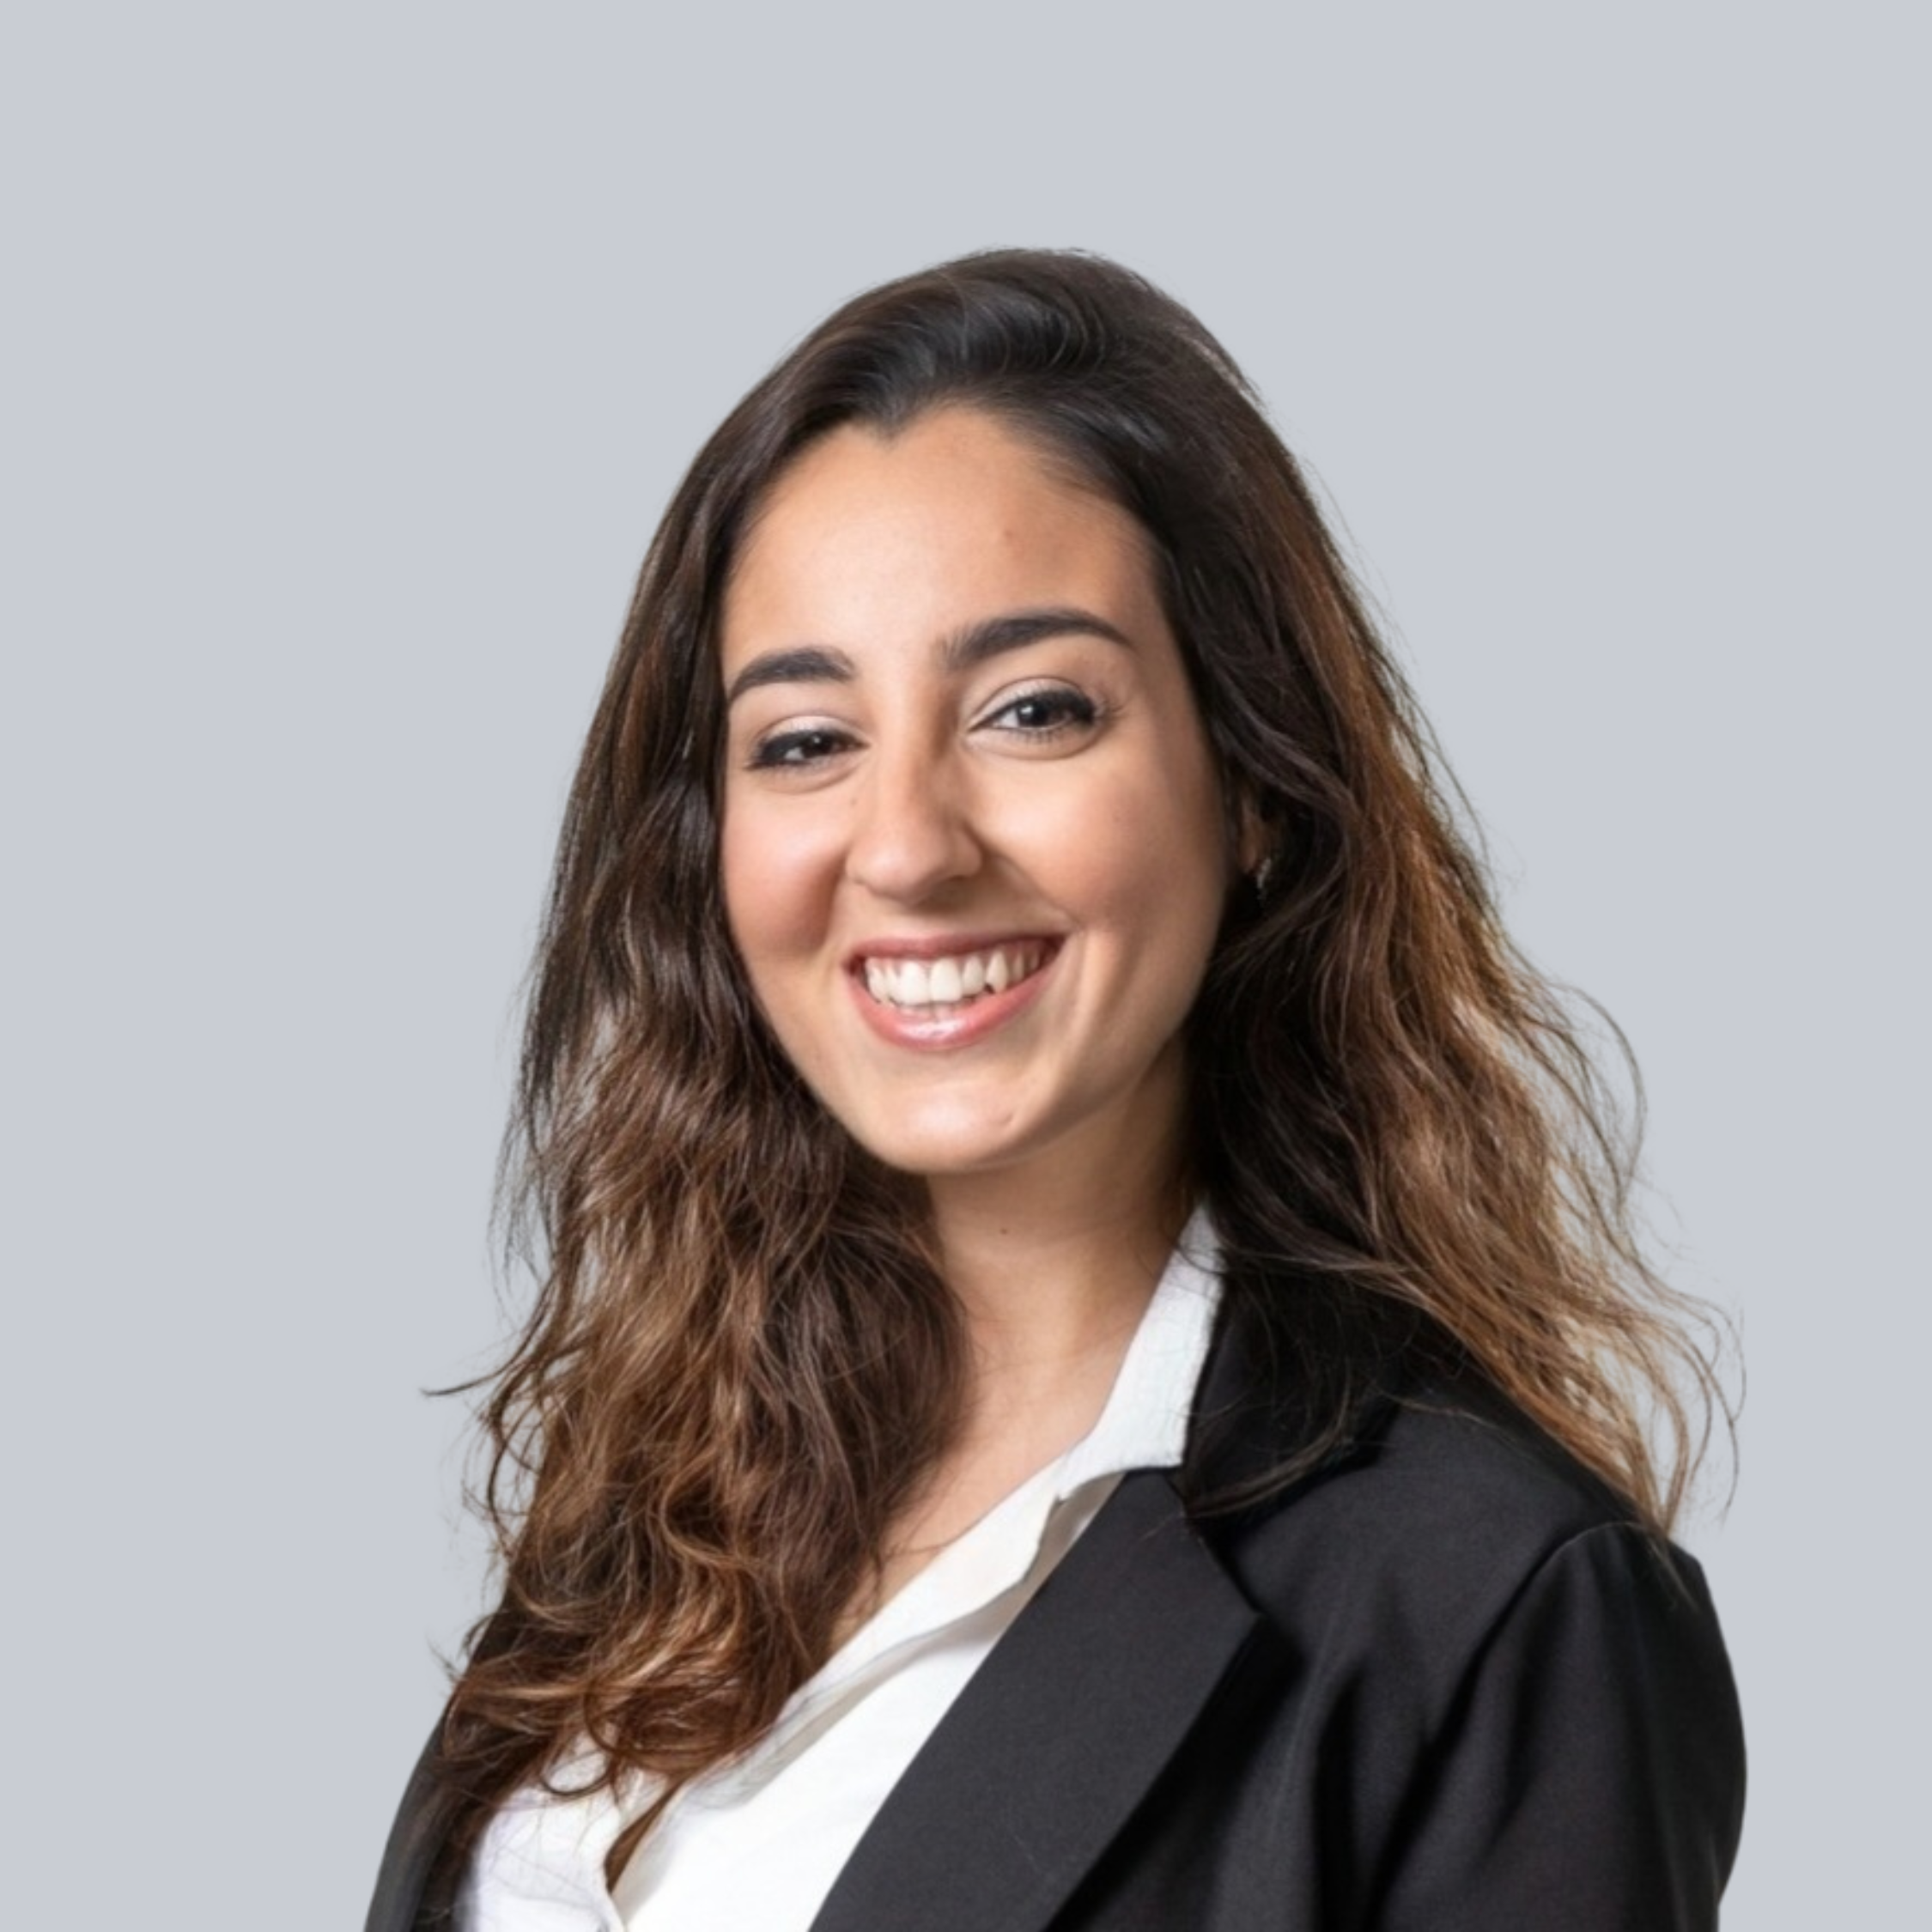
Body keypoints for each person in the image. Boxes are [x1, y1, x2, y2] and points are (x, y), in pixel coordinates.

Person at [367, 250, 1744, 1931]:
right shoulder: (656, 1508)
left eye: (1033, 711)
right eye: (804, 739)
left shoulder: (1491, 1607)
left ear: (1254, 783)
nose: (905, 847)